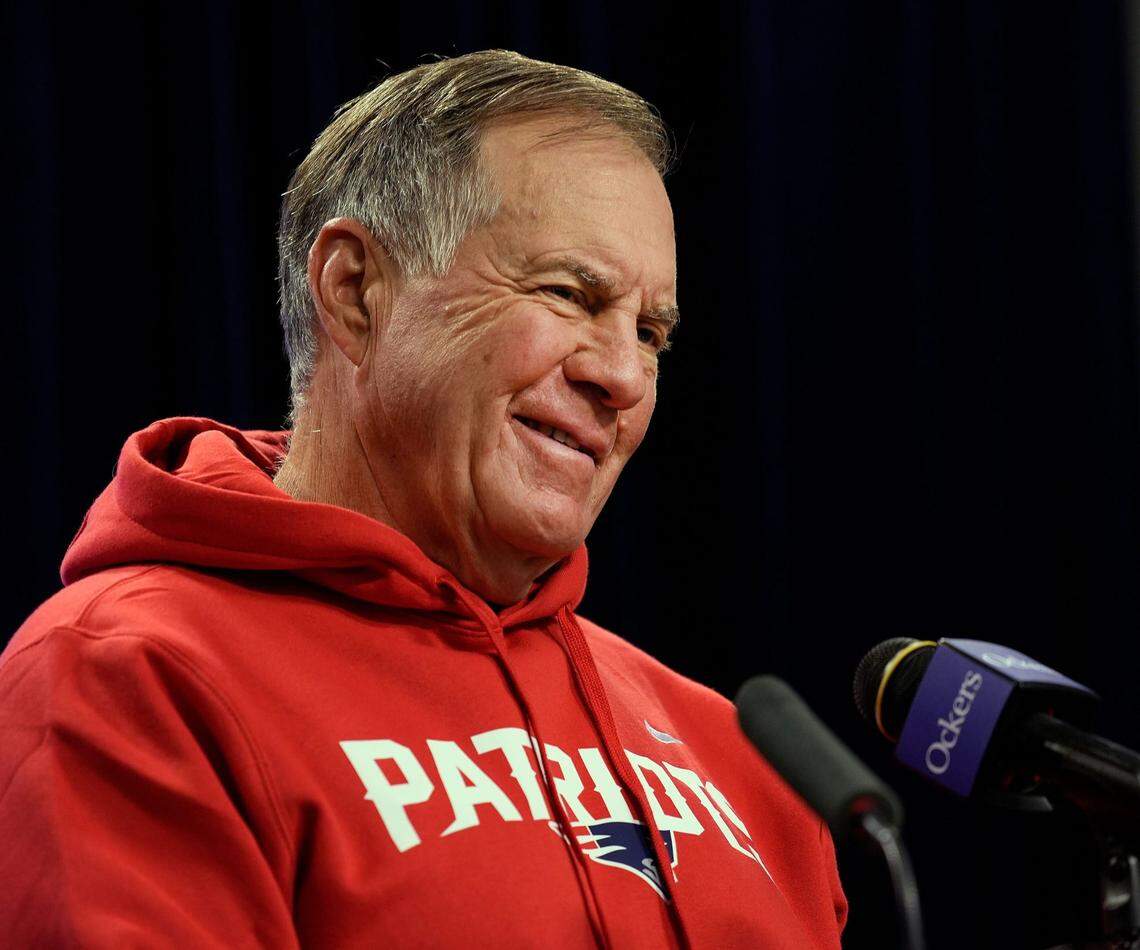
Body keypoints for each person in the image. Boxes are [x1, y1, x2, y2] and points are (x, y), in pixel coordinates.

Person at [0, 50, 845, 948]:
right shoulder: (130, 677)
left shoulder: (746, 761)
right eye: (569, 294)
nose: (623, 377)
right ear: (357, 291)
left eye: (650, 333)